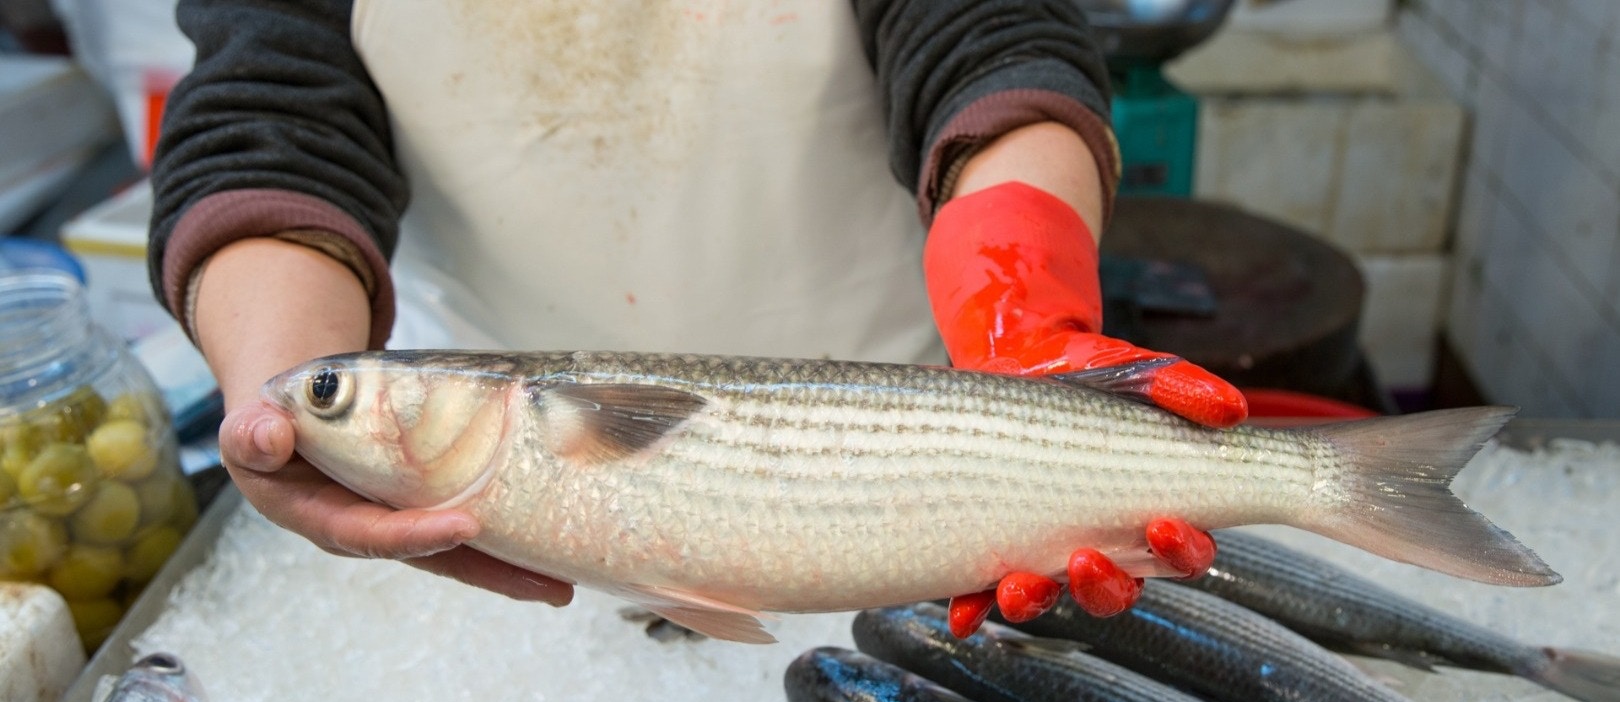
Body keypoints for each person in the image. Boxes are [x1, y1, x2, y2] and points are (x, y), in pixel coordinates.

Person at [147, 0, 1247, 636]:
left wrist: (1030, 320)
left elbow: (990, 31)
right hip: (477, 532)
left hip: (922, 462)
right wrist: (290, 391)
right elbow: (271, 114)